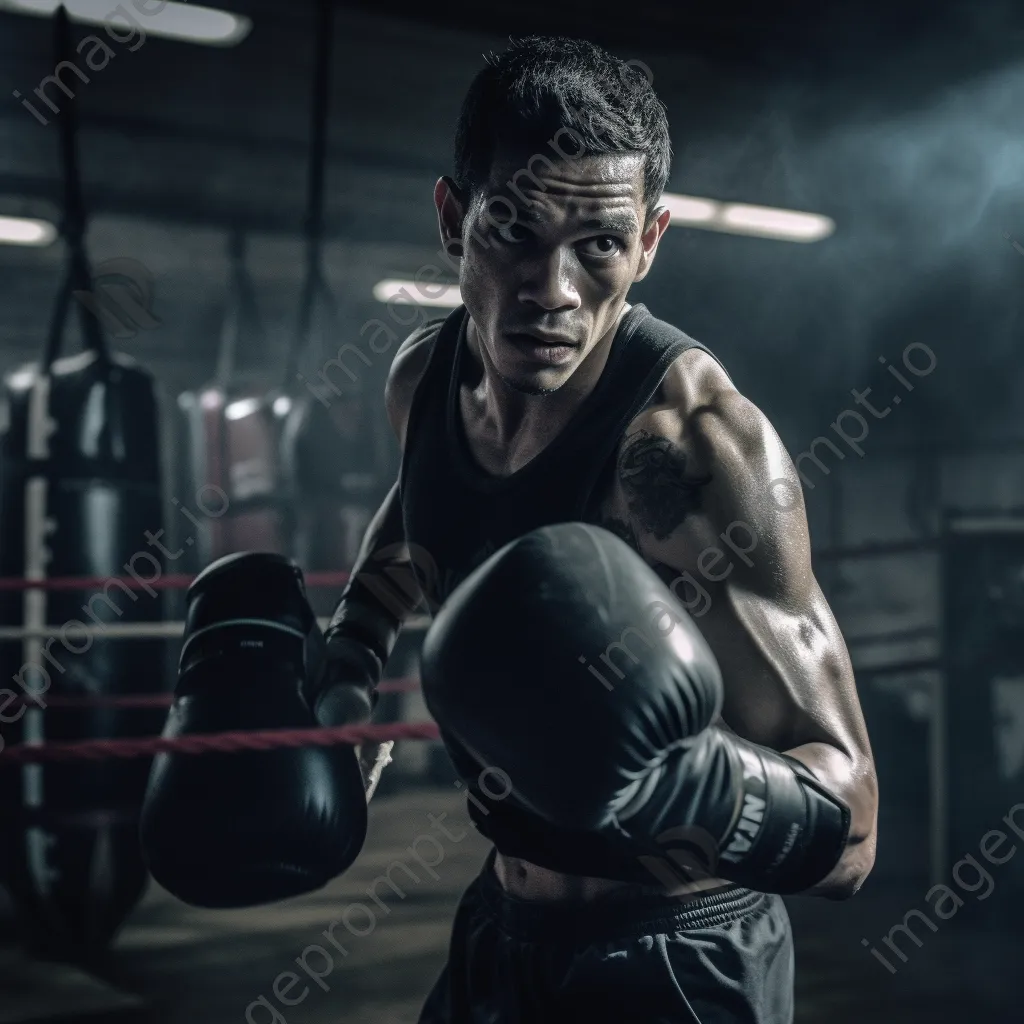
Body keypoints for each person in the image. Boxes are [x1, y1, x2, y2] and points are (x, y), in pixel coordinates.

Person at [314, 35, 878, 1023]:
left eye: (599, 245)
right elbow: (421, 508)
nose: (552, 290)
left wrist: (676, 783)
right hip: (502, 921)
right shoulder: (425, 378)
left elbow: (851, 826)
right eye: (515, 232)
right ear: (454, 218)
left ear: (650, 240)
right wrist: (353, 648)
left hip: (681, 953)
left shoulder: (690, 448)